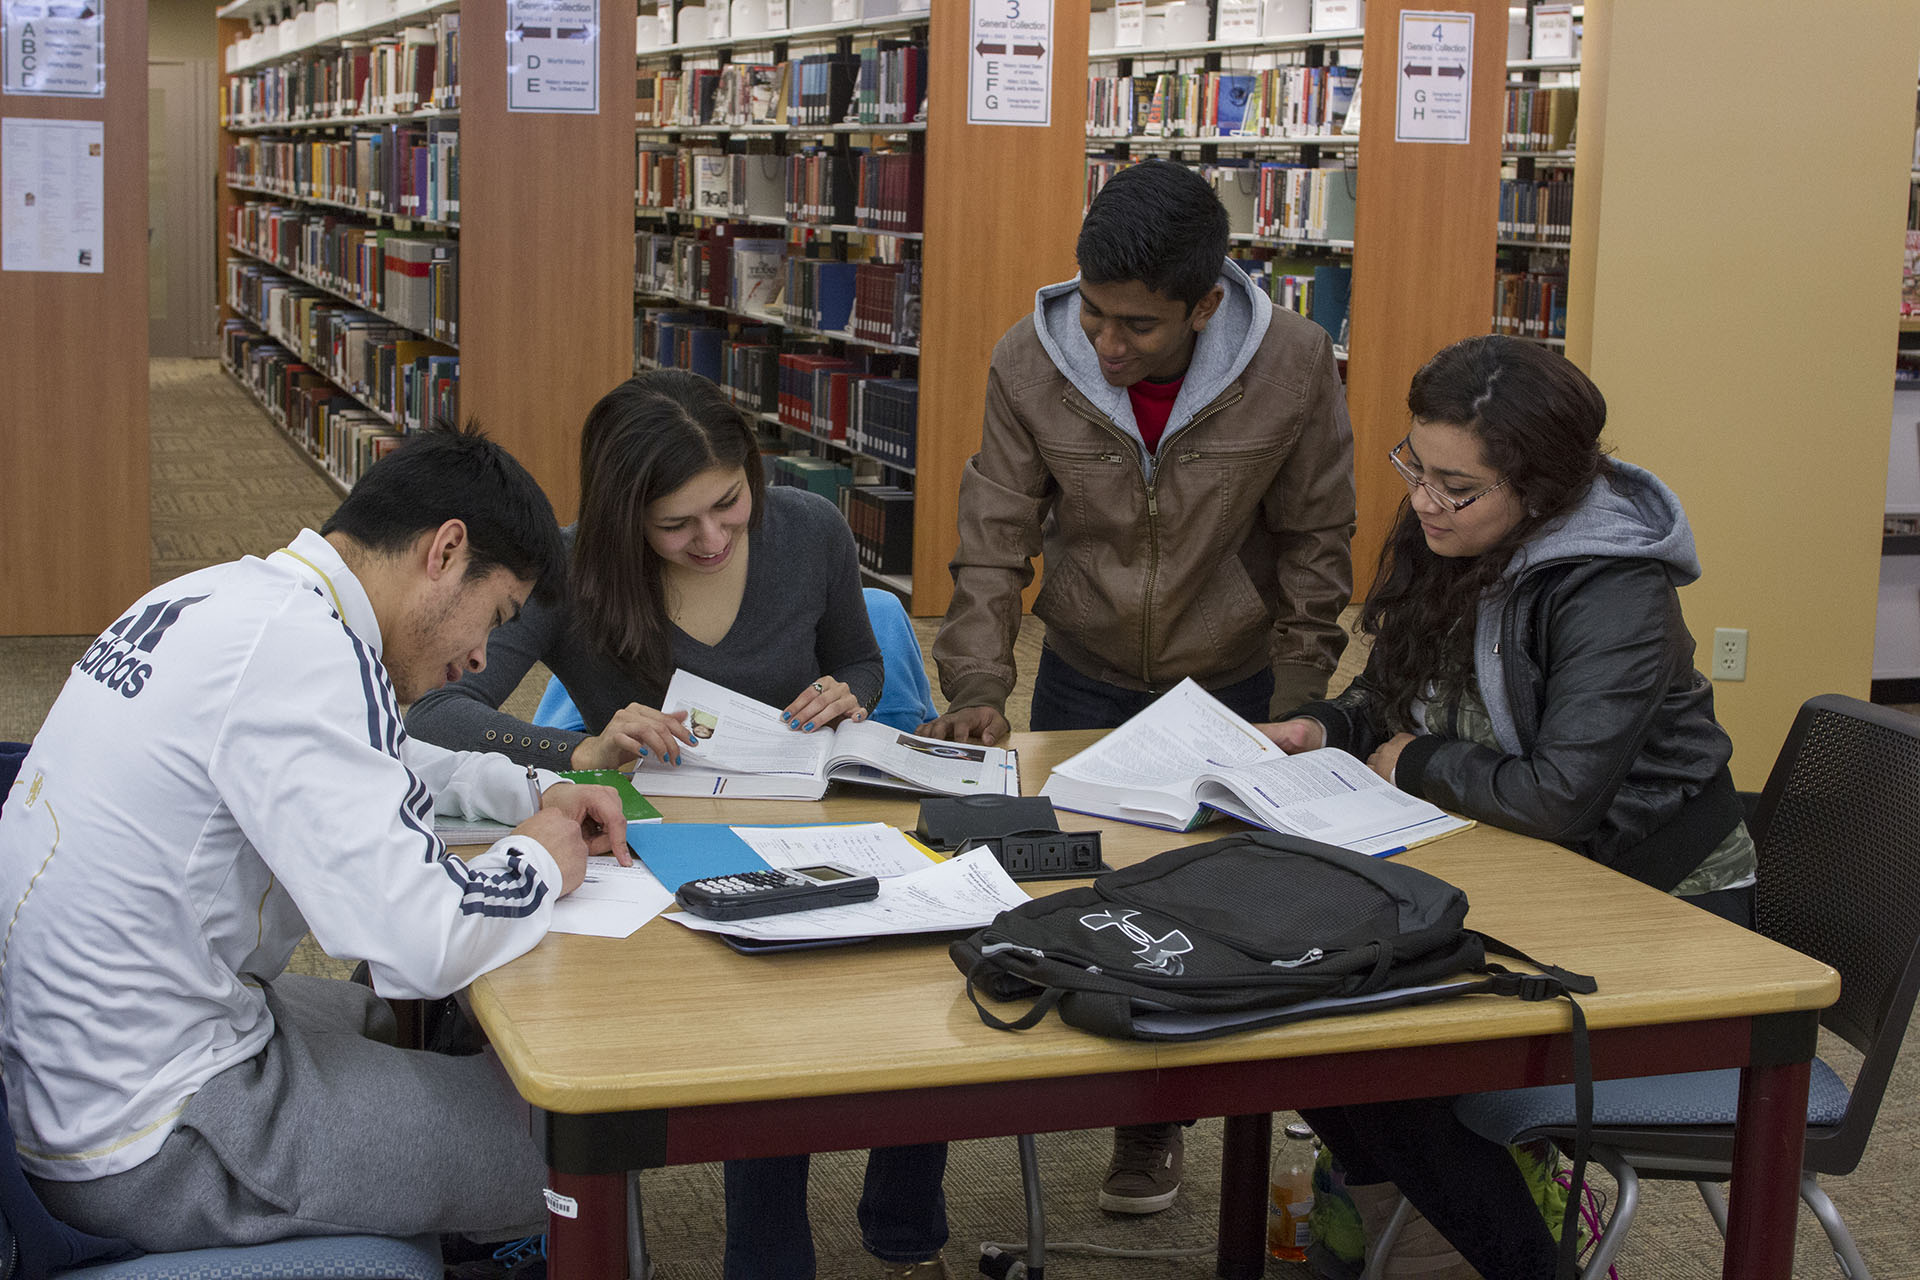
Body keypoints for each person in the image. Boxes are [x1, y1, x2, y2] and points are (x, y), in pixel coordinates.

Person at [0, 425, 630, 1255]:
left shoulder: (226, 597)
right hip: (147, 1133)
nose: (482, 655)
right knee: (558, 1153)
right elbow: (422, 938)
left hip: (76, 1063)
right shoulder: (308, 653)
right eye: (497, 614)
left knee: (379, 1019)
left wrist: (534, 789)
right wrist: (542, 856)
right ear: (445, 552)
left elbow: (373, 762)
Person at [405, 371, 948, 1280]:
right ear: (627, 519)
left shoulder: (807, 529)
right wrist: (576, 748)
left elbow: (855, 649)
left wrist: (850, 686)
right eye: (676, 523)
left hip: (807, 826)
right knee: (761, 1037)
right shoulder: (574, 568)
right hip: (650, 855)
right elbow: (436, 711)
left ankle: (907, 1241)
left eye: (729, 505)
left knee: (920, 975)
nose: (712, 539)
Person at [920, 158, 1356, 1213]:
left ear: (1206, 304)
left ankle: (1162, 1113)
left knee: (1217, 905)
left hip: (1232, 681)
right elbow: (994, 537)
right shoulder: (1033, 359)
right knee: (1081, 887)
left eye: (1138, 327)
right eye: (1095, 314)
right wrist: (980, 679)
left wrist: (1302, 695)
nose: (1106, 345)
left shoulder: (1294, 363)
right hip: (1085, 669)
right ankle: (1092, 1070)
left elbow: (1316, 541)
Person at [1267, 334, 1754, 1279]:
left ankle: (1521, 1262)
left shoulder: (1615, 588)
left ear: (1544, 487)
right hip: (1520, 880)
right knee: (1304, 1025)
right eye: (1417, 467)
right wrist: (1325, 728)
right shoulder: (1454, 529)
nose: (1423, 502)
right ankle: (1412, 1241)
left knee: (1383, 1055)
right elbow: (1395, 694)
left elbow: (1556, 798)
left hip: (1661, 915)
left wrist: (1412, 759)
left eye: (1458, 486)